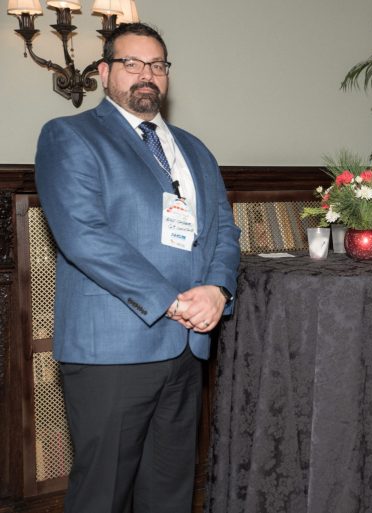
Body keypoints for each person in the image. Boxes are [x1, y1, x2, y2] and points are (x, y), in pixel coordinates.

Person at [34, 23, 241, 513]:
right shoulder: (70, 135)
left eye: (157, 65)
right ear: (105, 72)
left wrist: (217, 290)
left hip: (187, 347)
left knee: (170, 493)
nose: (147, 74)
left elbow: (224, 232)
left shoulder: (195, 149)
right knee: (102, 496)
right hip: (112, 348)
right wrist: (170, 301)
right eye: (132, 63)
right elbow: (84, 235)